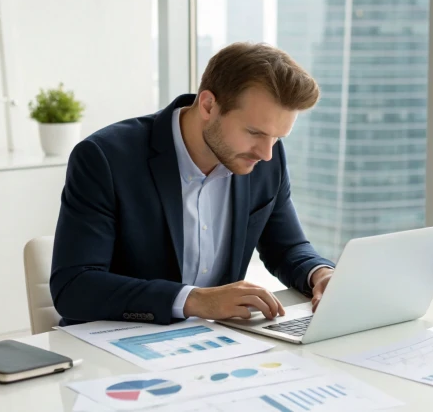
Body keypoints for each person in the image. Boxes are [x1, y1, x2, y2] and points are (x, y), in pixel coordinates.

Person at [50, 42, 335, 326]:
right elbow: (74, 287)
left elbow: (287, 248)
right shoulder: (106, 158)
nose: (266, 153)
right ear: (209, 105)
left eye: (277, 138)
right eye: (254, 132)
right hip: (118, 342)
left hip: (215, 344)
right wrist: (195, 300)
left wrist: (320, 274)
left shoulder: (265, 158)